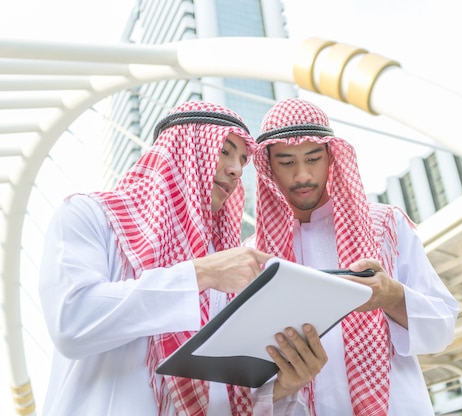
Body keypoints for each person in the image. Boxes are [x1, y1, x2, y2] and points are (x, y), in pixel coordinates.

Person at [38, 101, 324, 416]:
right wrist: (201, 274)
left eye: (243, 160)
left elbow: (219, 396)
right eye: (224, 151)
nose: (236, 169)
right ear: (182, 151)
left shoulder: (225, 262)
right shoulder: (91, 217)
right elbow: (73, 322)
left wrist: (282, 388)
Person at [248, 98, 459, 415]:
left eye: (313, 158)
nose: (302, 175)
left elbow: (442, 329)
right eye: (287, 162)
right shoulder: (251, 255)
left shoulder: (385, 225)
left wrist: (391, 296)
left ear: (331, 157)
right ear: (268, 166)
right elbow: (244, 379)